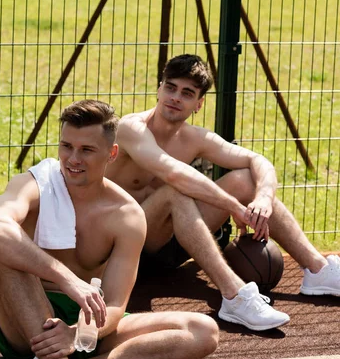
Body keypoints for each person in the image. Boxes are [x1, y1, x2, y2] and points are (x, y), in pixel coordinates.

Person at [0, 99, 219, 359]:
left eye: (87, 149)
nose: (73, 159)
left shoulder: (127, 215)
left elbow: (116, 305)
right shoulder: (35, 184)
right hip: (24, 320)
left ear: (112, 153)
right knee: (6, 247)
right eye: (66, 146)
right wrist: (69, 280)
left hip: (86, 325)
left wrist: (75, 334)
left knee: (202, 330)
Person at [105, 54, 340, 332]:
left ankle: (318, 271)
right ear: (159, 89)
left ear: (198, 104)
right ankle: (235, 296)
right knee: (174, 191)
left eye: (187, 93)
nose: (175, 97)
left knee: (245, 180)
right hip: (121, 245)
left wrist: (262, 198)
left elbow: (258, 161)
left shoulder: (195, 139)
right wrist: (235, 208)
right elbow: (173, 173)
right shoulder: (132, 129)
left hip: (170, 242)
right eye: (170, 87)